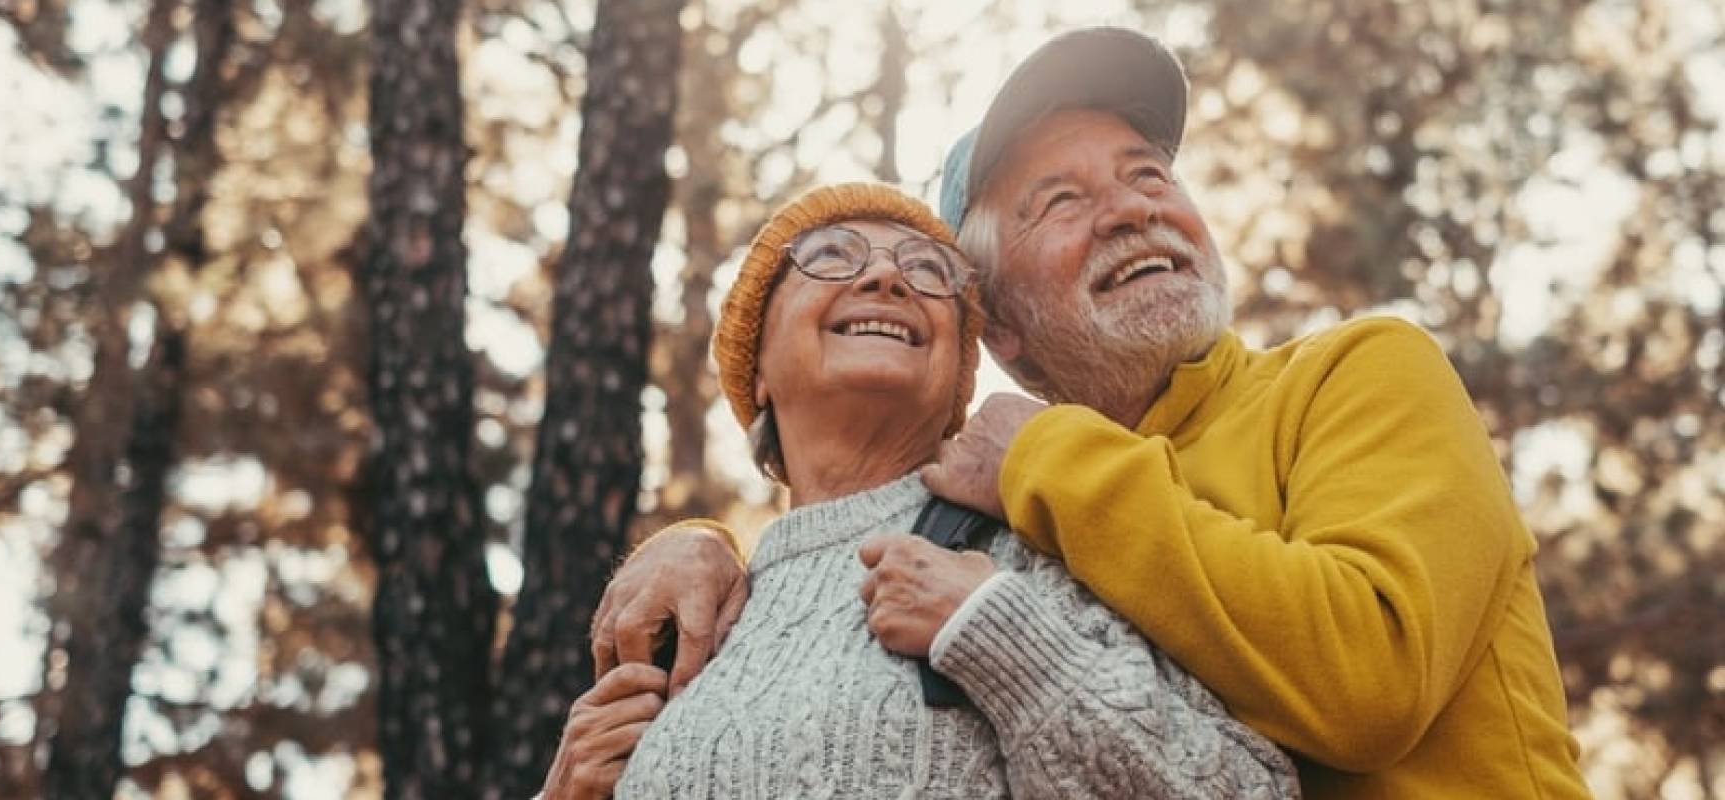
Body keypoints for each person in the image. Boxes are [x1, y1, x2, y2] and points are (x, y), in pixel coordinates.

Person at [592, 28, 1593, 799]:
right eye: (1059, 200)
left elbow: (1370, 679)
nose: (1131, 209)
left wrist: (1046, 457)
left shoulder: (1358, 373)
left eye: (1149, 174)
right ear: (1005, 329)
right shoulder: (1013, 517)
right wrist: (702, 545)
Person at [542, 182, 1299, 799]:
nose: (886, 278)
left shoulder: (1029, 553)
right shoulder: (694, 620)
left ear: (957, 384)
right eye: (831, 256)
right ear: (757, 368)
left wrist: (1006, 640)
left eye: (928, 271)